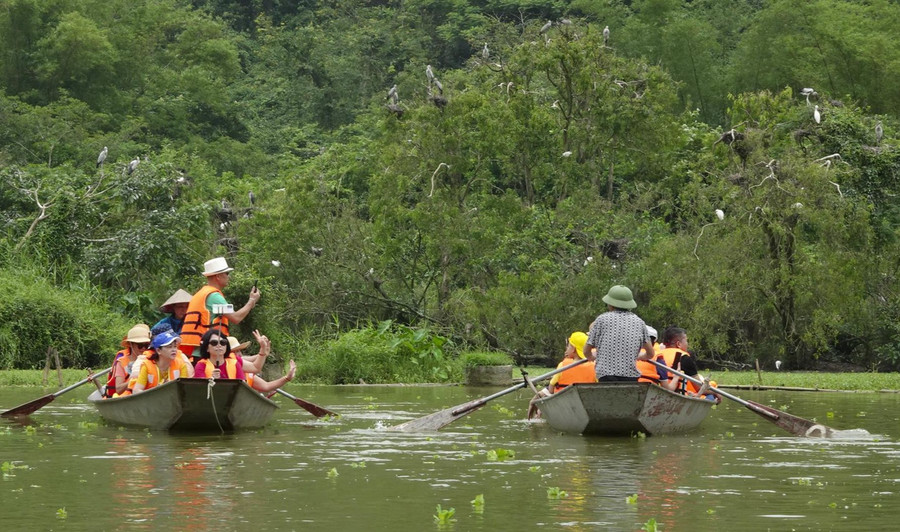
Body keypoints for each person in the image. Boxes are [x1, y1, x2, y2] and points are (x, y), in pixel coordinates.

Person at [180, 257, 260, 358]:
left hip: (200, 351)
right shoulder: (214, 296)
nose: (228, 277)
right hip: (208, 353)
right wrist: (251, 300)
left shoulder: (202, 294)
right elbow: (236, 318)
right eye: (226, 274)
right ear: (218, 276)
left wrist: (250, 303)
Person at [583, 285, 654, 381]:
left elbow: (586, 351)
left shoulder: (601, 319)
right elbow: (650, 353)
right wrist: (637, 356)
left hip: (606, 376)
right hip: (630, 377)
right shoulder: (639, 322)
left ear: (610, 305)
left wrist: (592, 357)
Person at [527, 331, 597, 419]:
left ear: (574, 349)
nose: (566, 348)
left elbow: (551, 389)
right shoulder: (594, 366)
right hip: (585, 405)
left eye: (568, 346)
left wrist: (540, 397)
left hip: (564, 405)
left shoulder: (563, 365)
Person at [104, 324, 151, 398]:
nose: (143, 348)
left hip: (147, 393)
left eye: (146, 345)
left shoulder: (151, 358)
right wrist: (136, 380)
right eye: (140, 345)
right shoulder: (121, 362)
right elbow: (118, 389)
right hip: (129, 397)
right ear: (130, 344)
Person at [655, 327, 706, 395]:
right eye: (686, 341)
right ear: (678, 344)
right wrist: (716, 393)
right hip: (673, 394)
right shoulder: (684, 358)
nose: (687, 344)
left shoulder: (657, 355)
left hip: (656, 391)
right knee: (710, 395)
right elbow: (700, 388)